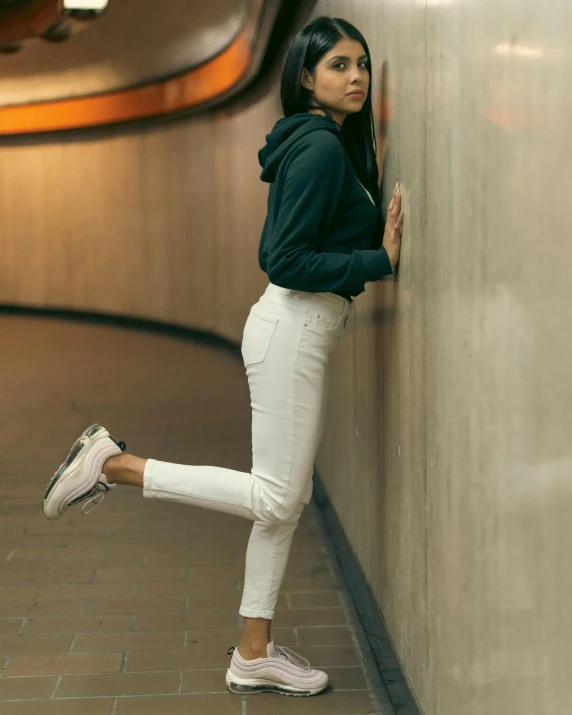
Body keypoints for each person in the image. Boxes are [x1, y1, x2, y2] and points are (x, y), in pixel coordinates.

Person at [41, 15, 403, 697]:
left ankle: (252, 651)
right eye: (339, 66)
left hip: (297, 329)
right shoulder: (321, 147)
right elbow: (285, 258)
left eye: (362, 64)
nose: (356, 76)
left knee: (280, 506)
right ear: (305, 77)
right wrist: (378, 259)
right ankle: (114, 464)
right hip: (293, 326)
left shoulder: (324, 142)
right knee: (276, 496)